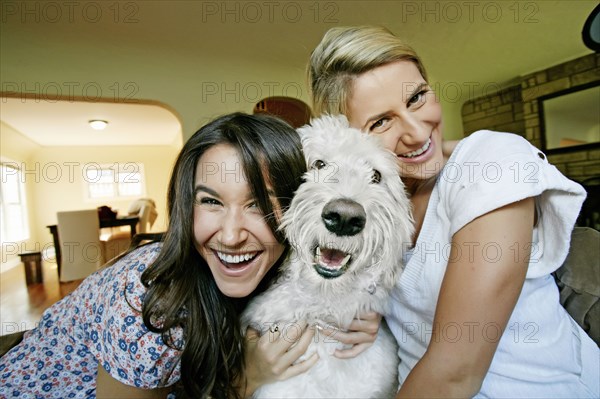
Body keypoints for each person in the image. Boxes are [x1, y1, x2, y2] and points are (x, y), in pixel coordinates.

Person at [0, 112, 380, 399]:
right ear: (186, 205)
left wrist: (358, 316)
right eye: (210, 201)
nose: (231, 236)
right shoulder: (147, 303)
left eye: (259, 204)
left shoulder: (289, 261)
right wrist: (246, 378)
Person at [307, 26, 599, 398]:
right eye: (380, 121)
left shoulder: (492, 163)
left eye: (417, 98)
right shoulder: (362, 204)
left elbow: (455, 372)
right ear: (348, 138)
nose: (416, 131)